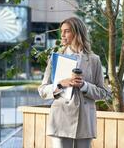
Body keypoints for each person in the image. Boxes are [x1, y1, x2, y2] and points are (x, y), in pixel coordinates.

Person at [38, 16, 109, 148]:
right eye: (62, 31)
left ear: (77, 33)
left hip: (85, 120)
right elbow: (42, 90)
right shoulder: (55, 58)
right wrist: (60, 84)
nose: (62, 35)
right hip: (60, 118)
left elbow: (104, 92)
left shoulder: (94, 60)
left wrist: (84, 86)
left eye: (67, 31)